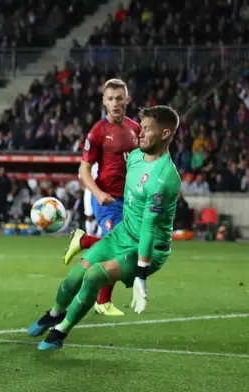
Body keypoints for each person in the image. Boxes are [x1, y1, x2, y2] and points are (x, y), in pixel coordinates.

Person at [28, 106, 181, 351]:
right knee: (73, 278)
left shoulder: (164, 178)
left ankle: (60, 331)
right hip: (122, 234)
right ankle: (55, 313)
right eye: (140, 128)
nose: (140, 134)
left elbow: (150, 229)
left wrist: (141, 277)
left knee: (94, 276)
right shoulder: (134, 157)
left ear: (164, 134)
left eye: (147, 130)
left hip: (148, 247)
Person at [62, 79, 141, 316]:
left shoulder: (135, 128)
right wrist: (97, 193)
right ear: (104, 101)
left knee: (128, 251)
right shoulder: (98, 131)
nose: (115, 103)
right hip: (106, 199)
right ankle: (102, 300)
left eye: (119, 98)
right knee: (120, 249)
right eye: (111, 99)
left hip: (129, 201)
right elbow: (84, 169)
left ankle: (84, 240)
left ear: (127, 99)